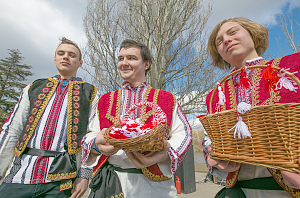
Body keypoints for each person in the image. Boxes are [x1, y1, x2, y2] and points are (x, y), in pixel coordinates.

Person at [81, 39, 192, 198]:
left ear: (146, 64)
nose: (124, 63)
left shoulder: (166, 99)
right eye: (121, 59)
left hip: (155, 186)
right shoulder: (104, 100)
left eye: (131, 58)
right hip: (110, 181)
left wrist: (163, 154)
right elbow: (89, 135)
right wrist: (97, 144)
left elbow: (184, 134)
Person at [202, 17, 300, 198]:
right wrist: (213, 156)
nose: (226, 40)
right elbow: (209, 138)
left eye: (232, 32)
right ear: (219, 53)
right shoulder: (215, 95)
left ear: (253, 35)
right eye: (219, 41)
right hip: (240, 190)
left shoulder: (294, 66)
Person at [0, 37, 99, 198]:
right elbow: (12, 129)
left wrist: (84, 174)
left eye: (71, 55)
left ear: (80, 62)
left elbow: (91, 137)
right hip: (20, 175)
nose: (65, 57)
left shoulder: (90, 93)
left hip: (61, 181)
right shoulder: (34, 87)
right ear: (55, 59)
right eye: (61, 53)